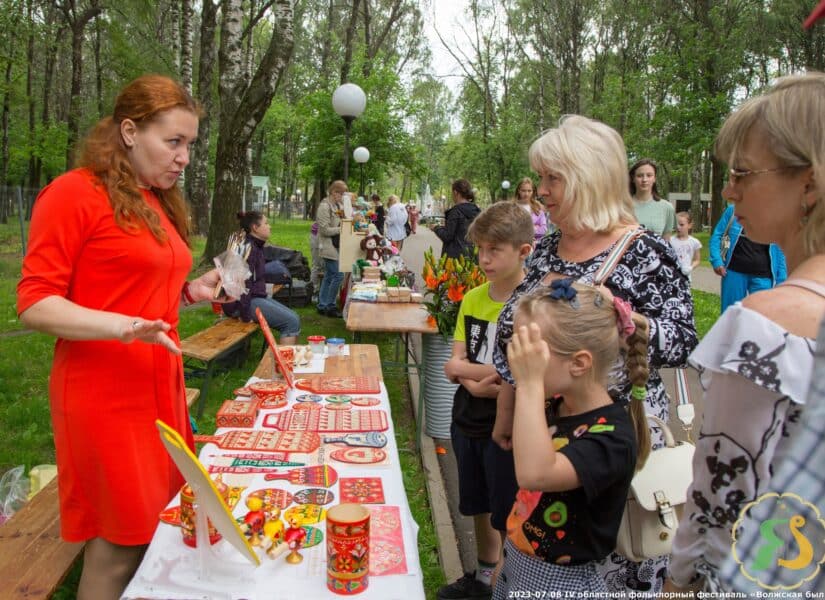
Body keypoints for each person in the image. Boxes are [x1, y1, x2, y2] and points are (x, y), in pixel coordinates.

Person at [16, 75, 227, 599]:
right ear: (130, 132)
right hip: (104, 394)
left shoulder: (155, 199)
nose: (183, 158)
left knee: (156, 526)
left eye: (189, 144)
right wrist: (123, 327)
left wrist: (189, 292)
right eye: (173, 141)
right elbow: (35, 301)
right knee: (118, 546)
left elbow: (134, 289)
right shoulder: (74, 194)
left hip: (158, 388)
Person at [491, 115, 697, 594]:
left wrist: (623, 319)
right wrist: (510, 403)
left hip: (608, 441)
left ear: (588, 178)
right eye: (540, 177)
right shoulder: (548, 248)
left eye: (553, 178)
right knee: (540, 541)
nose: (542, 191)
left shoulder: (645, 252)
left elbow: (684, 340)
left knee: (608, 564)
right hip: (544, 429)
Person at [665, 72, 825, 593]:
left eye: (742, 173)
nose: (729, 190)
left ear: (809, 183)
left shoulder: (764, 326)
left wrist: (678, 583)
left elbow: (718, 500)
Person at [496, 281, 651, 596]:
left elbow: (535, 474)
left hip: (562, 584)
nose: (518, 359)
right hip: (519, 561)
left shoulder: (612, 438)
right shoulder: (557, 405)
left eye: (533, 351)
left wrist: (528, 383)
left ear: (579, 363)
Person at [438, 202, 534, 600]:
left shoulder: (533, 305)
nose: (484, 258)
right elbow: (452, 363)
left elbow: (520, 373)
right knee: (477, 503)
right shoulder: (474, 297)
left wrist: (470, 374)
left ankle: (509, 585)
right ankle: (482, 576)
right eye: (480, 249)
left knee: (507, 509)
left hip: (509, 425)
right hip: (468, 416)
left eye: (495, 249)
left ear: (524, 251)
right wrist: (480, 379)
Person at [221, 211, 300, 344]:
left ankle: (290, 356)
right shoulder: (248, 249)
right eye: (266, 223)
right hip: (240, 304)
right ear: (255, 228)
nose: (270, 226)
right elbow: (240, 286)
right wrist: (245, 316)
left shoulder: (254, 246)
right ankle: (283, 358)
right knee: (291, 322)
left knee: (294, 318)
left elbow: (254, 279)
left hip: (252, 298)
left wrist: (267, 288)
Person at [709, 203, 787, 312]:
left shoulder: (774, 214)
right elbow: (718, 235)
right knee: (731, 314)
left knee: (762, 316)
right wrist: (717, 261)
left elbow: (780, 248)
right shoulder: (734, 210)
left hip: (764, 275)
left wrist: (781, 279)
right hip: (734, 272)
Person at [316, 180, 346, 318]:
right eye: (342, 193)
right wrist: (341, 229)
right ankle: (330, 306)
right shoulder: (324, 206)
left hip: (335, 244)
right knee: (338, 274)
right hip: (327, 245)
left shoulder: (337, 205)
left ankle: (322, 305)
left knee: (329, 275)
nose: (343, 196)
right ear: (334, 192)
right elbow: (324, 230)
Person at [432, 179, 482, 259]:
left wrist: (436, 228)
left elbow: (447, 236)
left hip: (455, 258)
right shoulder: (477, 211)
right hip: (472, 256)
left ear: (455, 192)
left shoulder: (455, 211)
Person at [629, 158, 675, 240]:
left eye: (649, 175)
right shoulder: (622, 206)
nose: (644, 180)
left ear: (654, 178)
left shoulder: (667, 207)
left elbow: (666, 241)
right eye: (640, 176)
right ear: (633, 179)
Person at [669, 211, 702, 282]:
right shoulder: (670, 240)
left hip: (686, 277)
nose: (678, 227)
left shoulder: (694, 242)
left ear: (689, 225)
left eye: (681, 225)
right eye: (676, 224)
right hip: (672, 276)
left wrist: (690, 268)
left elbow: (697, 260)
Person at [513, 177, 548, 242]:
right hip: (517, 243)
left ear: (533, 192)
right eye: (523, 190)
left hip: (536, 244)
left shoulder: (538, 208)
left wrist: (527, 229)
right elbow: (511, 228)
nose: (526, 194)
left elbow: (544, 229)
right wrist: (535, 227)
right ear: (519, 191)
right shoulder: (512, 208)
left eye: (529, 191)